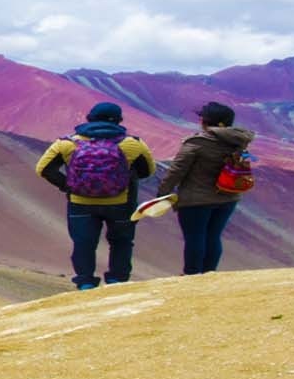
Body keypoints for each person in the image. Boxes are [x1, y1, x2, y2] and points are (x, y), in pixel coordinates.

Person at [36, 102, 155, 290]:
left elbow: (43, 169)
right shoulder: (132, 144)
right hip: (120, 203)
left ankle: (85, 282)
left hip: (80, 203)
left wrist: (68, 186)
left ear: (89, 118)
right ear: (119, 120)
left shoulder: (67, 143)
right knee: (121, 242)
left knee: (84, 242)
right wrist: (121, 179)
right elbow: (148, 170)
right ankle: (117, 280)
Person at [157, 102, 256, 276]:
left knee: (195, 237)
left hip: (196, 200)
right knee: (213, 236)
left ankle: (192, 275)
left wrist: (163, 192)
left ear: (206, 121)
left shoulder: (197, 143)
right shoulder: (238, 141)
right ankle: (209, 274)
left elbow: (177, 170)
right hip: (228, 197)